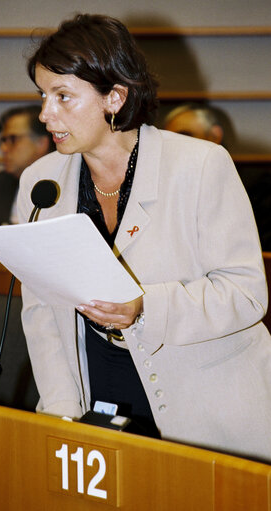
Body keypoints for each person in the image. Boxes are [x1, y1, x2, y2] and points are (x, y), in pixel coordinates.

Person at [17, 13, 271, 462]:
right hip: (98, 396)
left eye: (62, 97)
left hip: (209, 408)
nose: (44, 114)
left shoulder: (200, 166)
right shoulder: (40, 183)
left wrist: (144, 307)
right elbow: (40, 311)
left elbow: (246, 294)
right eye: (42, 95)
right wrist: (60, 413)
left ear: (114, 97)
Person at [163, 103, 271, 251]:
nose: (177, 146)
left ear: (215, 135)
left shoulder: (258, 184)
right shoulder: (165, 186)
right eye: (170, 140)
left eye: (185, 136)